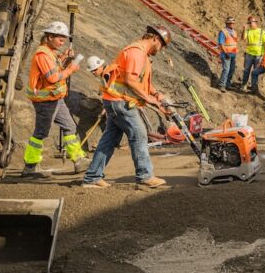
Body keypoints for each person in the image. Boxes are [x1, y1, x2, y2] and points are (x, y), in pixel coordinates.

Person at [82, 25, 173, 189]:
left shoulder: (142, 55)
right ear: (155, 39)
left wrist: (157, 95)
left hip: (116, 101)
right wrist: (150, 100)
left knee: (109, 140)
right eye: (161, 45)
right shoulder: (136, 52)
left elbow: (142, 82)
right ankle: (145, 176)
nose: (161, 50)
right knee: (139, 134)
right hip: (119, 102)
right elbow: (131, 81)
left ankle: (92, 178)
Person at [22, 21, 88, 177]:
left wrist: (64, 60)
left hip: (55, 99)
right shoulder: (42, 54)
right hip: (46, 101)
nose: (62, 41)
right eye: (59, 38)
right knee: (41, 132)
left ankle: (78, 160)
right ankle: (30, 167)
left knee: (70, 126)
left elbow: (55, 70)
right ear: (49, 36)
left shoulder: (50, 53)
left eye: (64, 39)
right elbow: (52, 78)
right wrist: (70, 69)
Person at [240, 15, 265, 91]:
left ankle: (254, 87)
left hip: (258, 55)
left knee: (255, 72)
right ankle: (244, 85)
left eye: (251, 22)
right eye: (249, 23)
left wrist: (264, 55)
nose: (250, 24)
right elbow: (242, 38)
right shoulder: (248, 31)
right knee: (246, 70)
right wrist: (244, 30)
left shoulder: (261, 31)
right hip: (249, 54)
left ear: (255, 22)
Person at [217, 17, 238, 91]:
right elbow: (221, 44)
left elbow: (234, 42)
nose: (232, 24)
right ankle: (222, 85)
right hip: (226, 54)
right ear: (227, 23)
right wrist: (226, 53)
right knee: (226, 69)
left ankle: (228, 84)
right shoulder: (223, 32)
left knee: (232, 70)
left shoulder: (234, 32)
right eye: (231, 23)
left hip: (233, 54)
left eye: (233, 23)